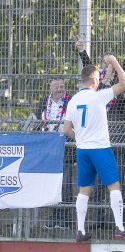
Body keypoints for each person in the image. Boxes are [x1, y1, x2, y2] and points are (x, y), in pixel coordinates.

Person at [63, 57, 125, 241]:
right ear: (94, 80)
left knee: (84, 189)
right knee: (113, 185)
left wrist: (81, 138)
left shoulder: (72, 100)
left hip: (82, 149)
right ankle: (119, 227)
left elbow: (66, 129)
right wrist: (114, 62)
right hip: (100, 148)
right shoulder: (98, 96)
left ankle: (80, 230)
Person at [76, 37, 125, 229]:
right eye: (104, 66)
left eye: (111, 66)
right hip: (98, 142)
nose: (107, 69)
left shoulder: (117, 87)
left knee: (117, 179)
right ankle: (100, 217)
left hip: (117, 139)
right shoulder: (95, 90)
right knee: (97, 183)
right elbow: (89, 69)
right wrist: (83, 52)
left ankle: (121, 219)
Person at [36, 77, 73, 229]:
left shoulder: (71, 102)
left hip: (67, 149)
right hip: (49, 149)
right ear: (51, 88)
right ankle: (53, 218)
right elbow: (35, 122)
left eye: (62, 86)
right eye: (57, 86)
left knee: (66, 184)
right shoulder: (44, 102)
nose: (59, 89)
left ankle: (66, 219)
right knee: (52, 184)